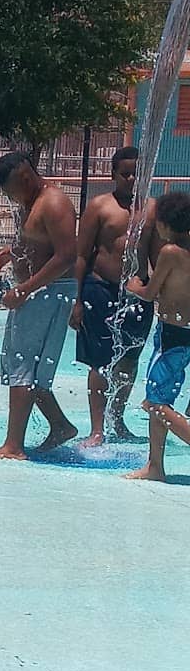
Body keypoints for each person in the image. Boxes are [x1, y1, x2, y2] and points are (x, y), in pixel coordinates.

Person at [0, 151, 79, 460]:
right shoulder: (29, 202)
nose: (9, 197)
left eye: (10, 191)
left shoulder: (54, 203)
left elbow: (66, 256)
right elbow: (37, 243)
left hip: (48, 292)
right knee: (19, 365)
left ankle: (13, 446)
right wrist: (10, 253)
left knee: (24, 365)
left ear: (25, 177)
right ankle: (60, 425)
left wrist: (24, 289)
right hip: (34, 293)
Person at [70, 146, 156, 444]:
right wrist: (76, 300)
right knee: (100, 361)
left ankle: (117, 421)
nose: (131, 179)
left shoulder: (152, 209)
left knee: (129, 359)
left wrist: (161, 292)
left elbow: (158, 255)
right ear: (113, 175)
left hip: (137, 293)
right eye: (125, 174)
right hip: (99, 288)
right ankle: (97, 429)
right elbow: (81, 255)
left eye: (136, 174)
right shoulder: (99, 206)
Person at [122, 192, 190, 483]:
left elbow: (150, 293)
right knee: (162, 399)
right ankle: (155, 466)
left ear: (164, 224)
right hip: (186, 332)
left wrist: (133, 287)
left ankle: (157, 464)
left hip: (171, 335)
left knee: (155, 404)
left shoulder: (170, 252)